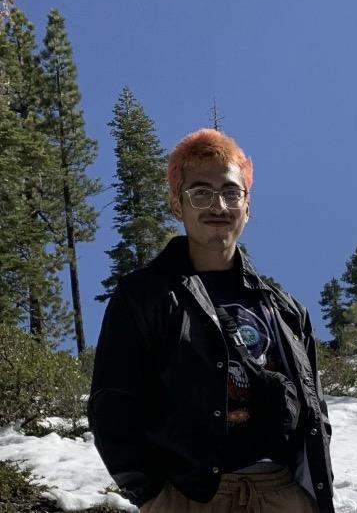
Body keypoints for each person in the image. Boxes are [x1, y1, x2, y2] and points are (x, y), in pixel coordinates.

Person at [88, 129, 335, 513]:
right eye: (200, 192)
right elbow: (113, 405)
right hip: (190, 496)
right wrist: (154, 496)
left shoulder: (286, 310)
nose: (218, 205)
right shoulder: (145, 295)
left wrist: (307, 496)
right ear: (177, 205)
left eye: (231, 192)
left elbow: (316, 411)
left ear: (247, 206)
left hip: (282, 493)